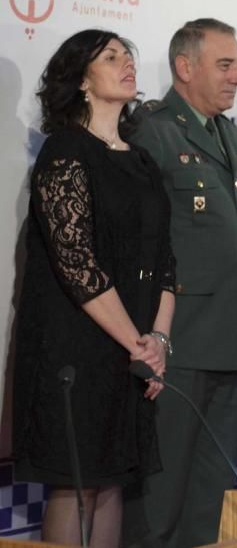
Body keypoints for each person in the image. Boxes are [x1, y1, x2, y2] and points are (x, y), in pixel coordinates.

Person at [13, 30, 173, 547]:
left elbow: (167, 263)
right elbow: (77, 266)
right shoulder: (65, 153)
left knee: (111, 484)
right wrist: (138, 345)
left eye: (129, 54)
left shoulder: (143, 160)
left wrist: (159, 342)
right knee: (78, 483)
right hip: (75, 348)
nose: (127, 63)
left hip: (132, 349)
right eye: (111, 57)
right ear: (82, 79)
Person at [123, 18, 237, 548]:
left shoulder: (226, 131)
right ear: (185, 67)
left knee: (207, 506)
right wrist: (143, 345)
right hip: (176, 350)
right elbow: (134, 246)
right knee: (157, 509)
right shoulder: (153, 131)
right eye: (225, 65)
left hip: (228, 342)